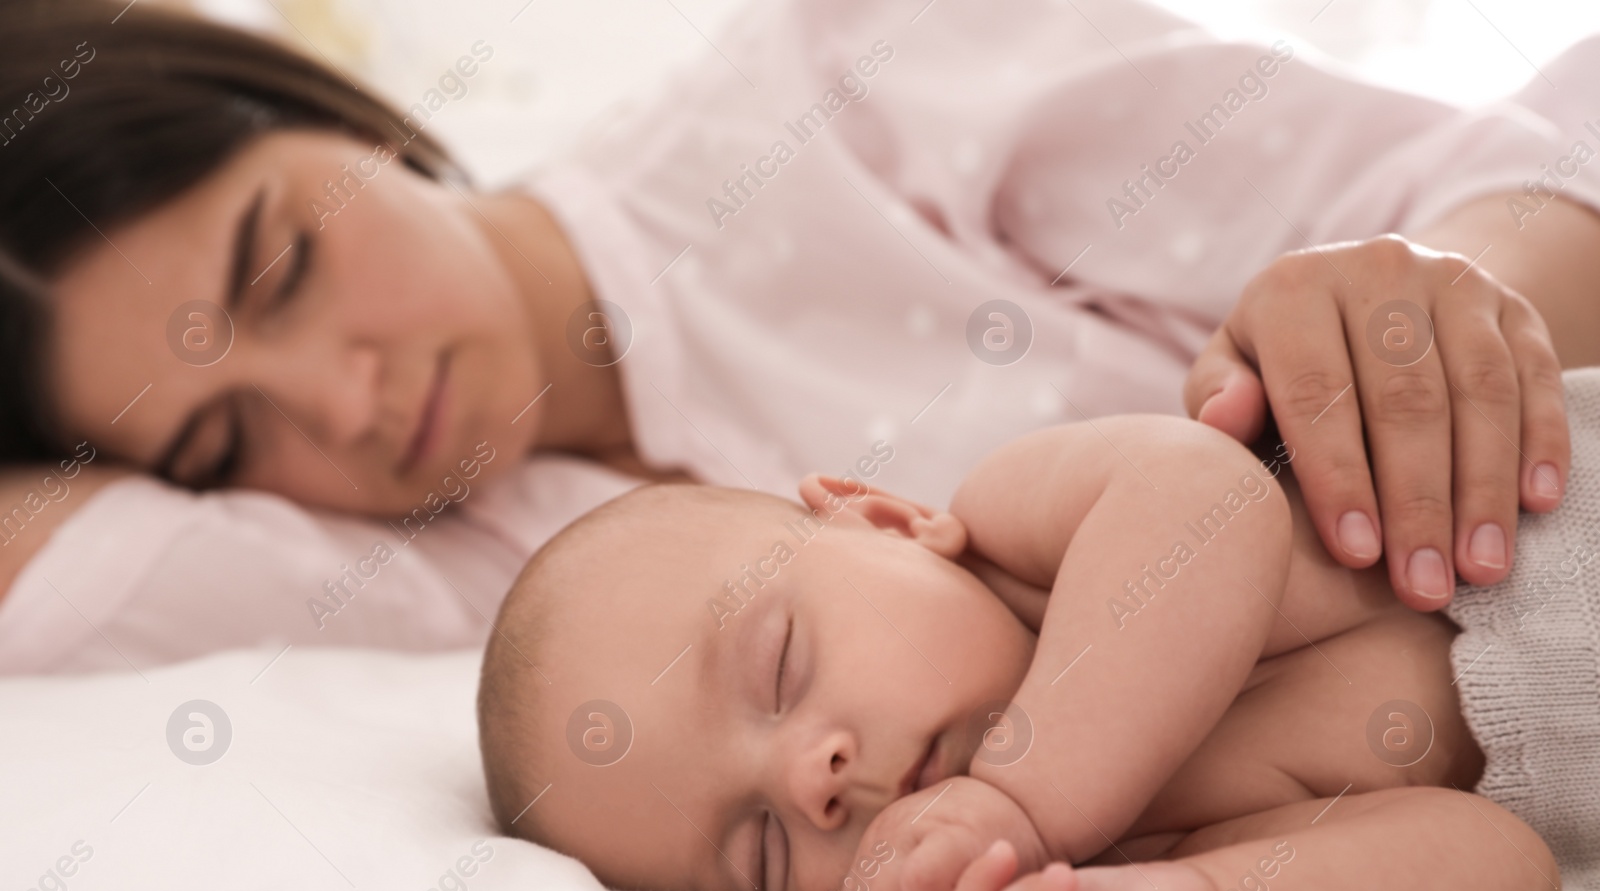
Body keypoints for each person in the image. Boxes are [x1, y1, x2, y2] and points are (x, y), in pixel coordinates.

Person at [5, 0, 1600, 673]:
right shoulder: (438, 578)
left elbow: (1505, 186)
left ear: (312, 103)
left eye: (281, 267)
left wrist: (1442, 291)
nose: (340, 408)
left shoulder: (847, 75)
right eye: (223, 438)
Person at [475, 371, 1600, 891]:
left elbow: (1209, 499)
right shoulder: (1127, 854)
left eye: (777, 667)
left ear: (882, 521)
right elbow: (1498, 870)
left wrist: (1024, 792)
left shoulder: (1024, 529)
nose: (808, 779)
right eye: (762, 847)